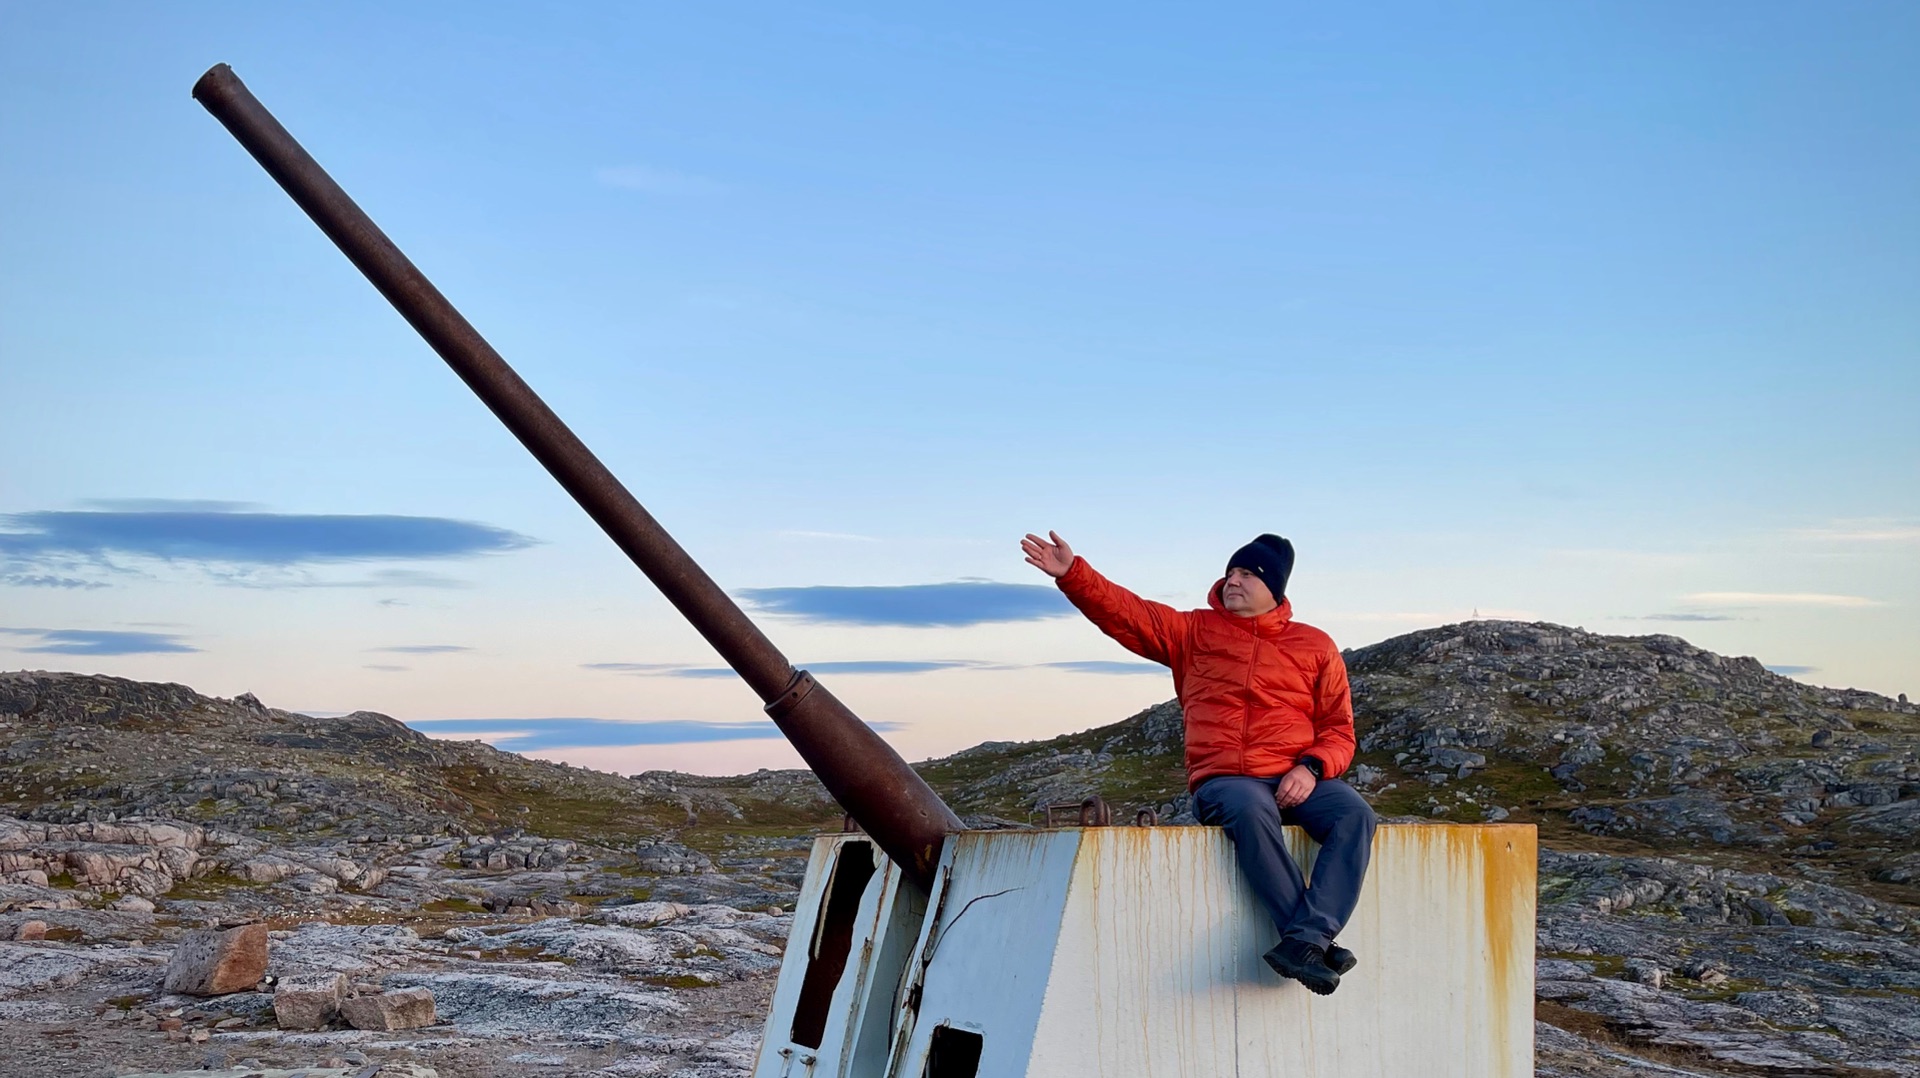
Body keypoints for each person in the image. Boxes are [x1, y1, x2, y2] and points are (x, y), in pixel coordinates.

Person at [1021, 530, 1376, 995]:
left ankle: (1306, 940)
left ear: (1275, 588)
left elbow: (1339, 730)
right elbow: (1127, 613)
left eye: (1248, 573)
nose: (1234, 580)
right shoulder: (1192, 631)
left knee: (1355, 814)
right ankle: (1311, 941)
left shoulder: (1315, 646)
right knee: (1251, 809)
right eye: (1231, 571)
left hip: (1295, 775)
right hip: (1225, 781)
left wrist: (1310, 767)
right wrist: (1073, 574)